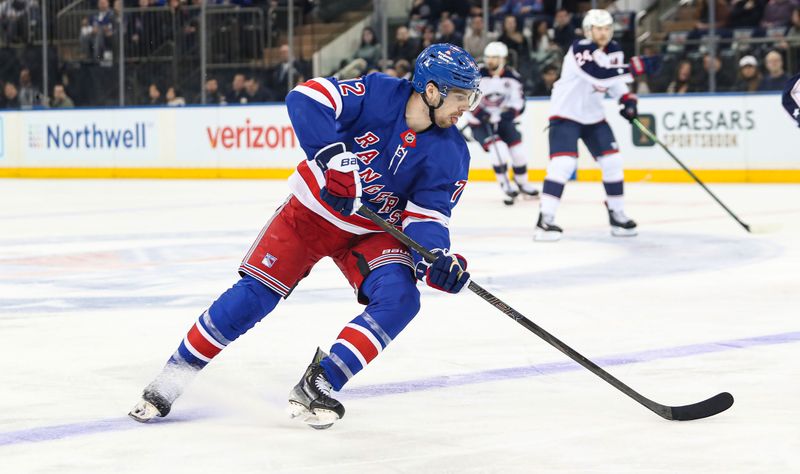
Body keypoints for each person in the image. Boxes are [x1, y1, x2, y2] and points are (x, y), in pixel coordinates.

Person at [128, 43, 482, 429]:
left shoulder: (452, 154)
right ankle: (173, 376)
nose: (467, 107)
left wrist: (436, 260)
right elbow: (307, 97)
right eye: (461, 96)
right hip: (310, 215)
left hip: (370, 233)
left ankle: (321, 381)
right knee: (254, 297)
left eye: (471, 97)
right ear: (431, 91)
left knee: (401, 300)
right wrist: (332, 158)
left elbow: (426, 218)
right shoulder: (380, 93)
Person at [535, 9, 658, 241]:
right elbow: (598, 74)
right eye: (598, 29)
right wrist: (633, 68)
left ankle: (617, 214)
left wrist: (627, 99)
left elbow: (614, 81)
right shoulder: (580, 48)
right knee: (563, 164)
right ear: (589, 30)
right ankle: (545, 220)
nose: (602, 33)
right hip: (566, 114)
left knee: (613, 161)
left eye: (606, 29)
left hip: (593, 116)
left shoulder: (615, 50)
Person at [468, 41, 538, 204]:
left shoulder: (512, 77)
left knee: (518, 152)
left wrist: (509, 114)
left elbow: (519, 101)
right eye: (488, 57)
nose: (490, 60)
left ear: (503, 59)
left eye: (494, 57)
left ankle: (523, 183)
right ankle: (506, 185)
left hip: (502, 121)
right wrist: (480, 113)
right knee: (497, 149)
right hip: (481, 123)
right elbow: (467, 97)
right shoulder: (476, 74)